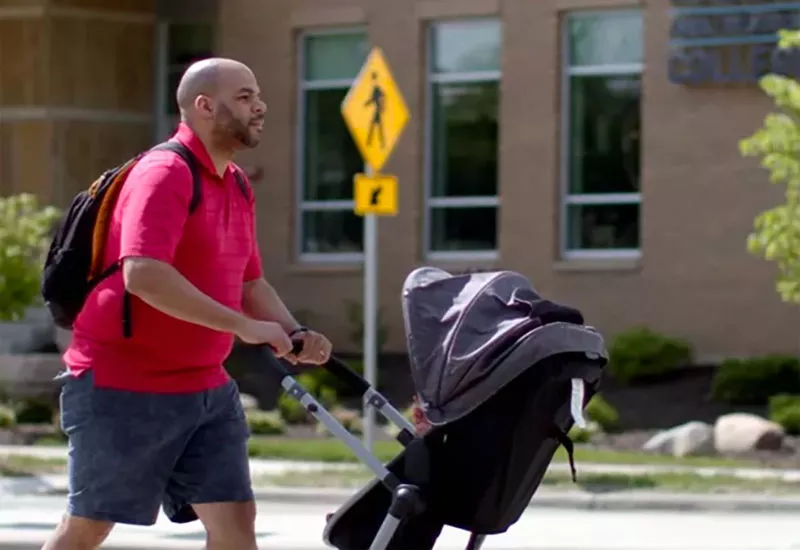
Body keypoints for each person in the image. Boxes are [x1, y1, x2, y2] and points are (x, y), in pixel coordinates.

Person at [42, 58, 333, 550]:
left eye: (257, 95)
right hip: (122, 382)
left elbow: (249, 281)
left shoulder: (237, 183)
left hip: (205, 386)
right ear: (203, 106)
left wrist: (292, 331)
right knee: (89, 527)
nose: (259, 106)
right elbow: (144, 274)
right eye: (244, 97)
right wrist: (245, 327)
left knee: (236, 522)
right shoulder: (164, 173)